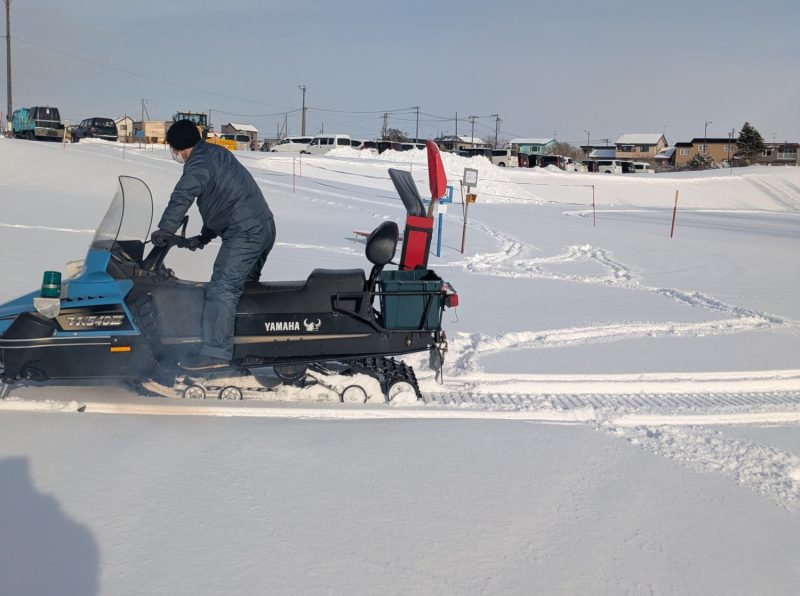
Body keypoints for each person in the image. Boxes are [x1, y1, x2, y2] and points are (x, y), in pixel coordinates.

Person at [152, 119, 276, 370]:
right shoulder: (215, 153)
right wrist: (205, 236)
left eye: (173, 149)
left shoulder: (198, 162)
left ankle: (216, 354)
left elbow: (183, 195)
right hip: (262, 226)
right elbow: (225, 199)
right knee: (244, 291)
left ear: (177, 147)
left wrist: (166, 229)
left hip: (246, 232)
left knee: (222, 288)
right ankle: (243, 344)